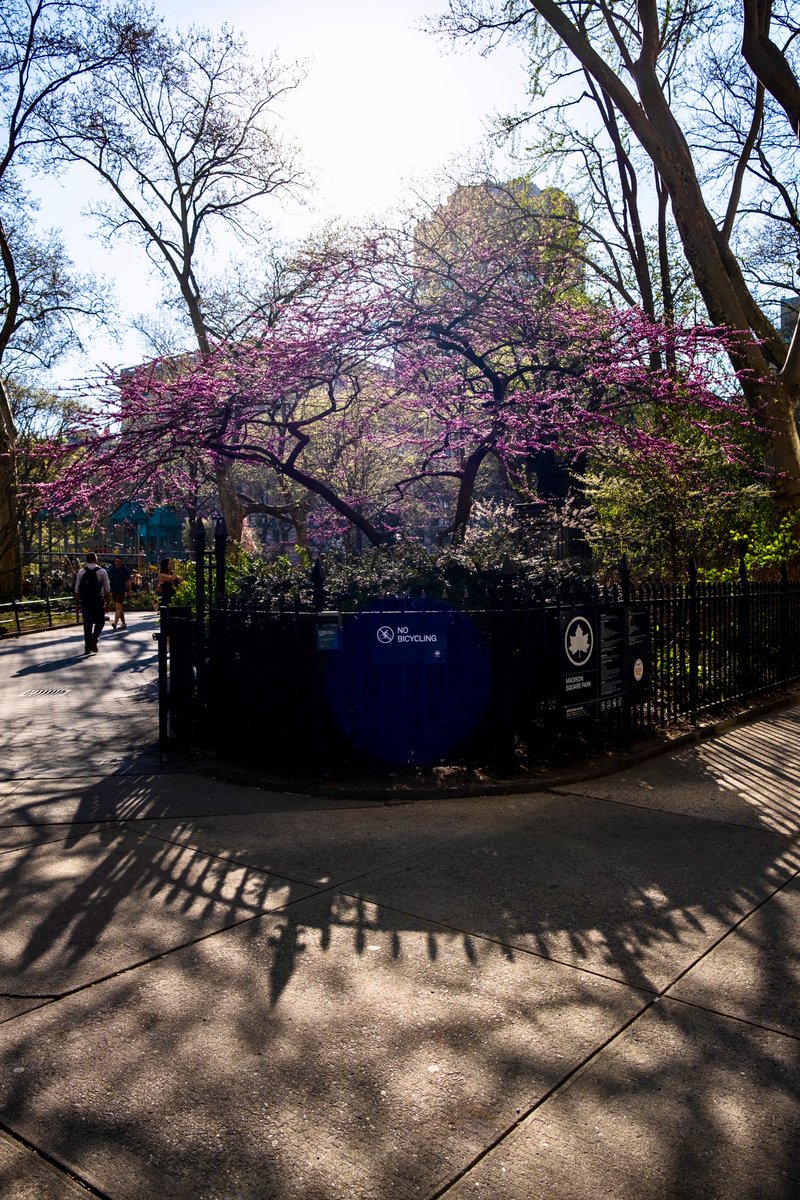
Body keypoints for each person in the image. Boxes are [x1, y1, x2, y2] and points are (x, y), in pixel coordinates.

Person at [75, 552, 111, 655]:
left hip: (85, 602)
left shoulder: (81, 572)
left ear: (86, 560)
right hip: (97, 601)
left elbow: (77, 589)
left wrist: (77, 604)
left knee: (87, 624)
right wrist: (108, 603)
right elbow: (107, 589)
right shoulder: (102, 571)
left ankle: (87, 648)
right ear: (96, 559)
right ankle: (94, 639)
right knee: (100, 621)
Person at [107, 556, 132, 629]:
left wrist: (129, 591)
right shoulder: (111, 569)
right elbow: (107, 579)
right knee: (119, 607)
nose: (117, 563)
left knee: (118, 606)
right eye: (116, 561)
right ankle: (123, 623)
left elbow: (128, 581)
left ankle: (115, 623)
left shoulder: (125, 570)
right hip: (113, 590)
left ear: (121, 562)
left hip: (121, 590)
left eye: (119, 561)